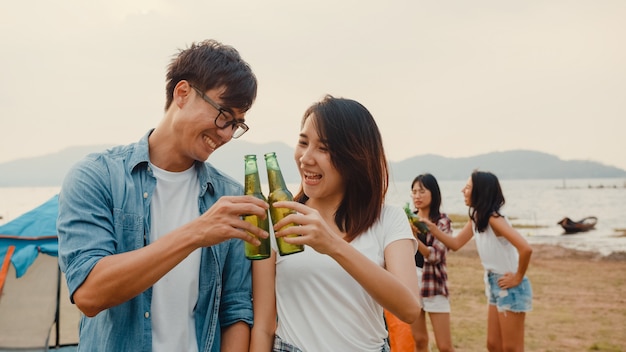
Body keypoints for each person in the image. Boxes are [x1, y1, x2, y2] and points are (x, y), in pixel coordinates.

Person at [57, 39, 269, 352]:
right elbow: (90, 295)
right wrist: (196, 232)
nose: (226, 133)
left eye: (237, 124)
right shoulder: (96, 177)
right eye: (224, 114)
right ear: (182, 93)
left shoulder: (230, 196)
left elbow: (235, 309)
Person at [249, 95, 421, 352]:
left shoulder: (388, 219)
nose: (306, 158)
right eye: (303, 143)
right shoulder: (278, 220)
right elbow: (263, 327)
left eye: (324, 147)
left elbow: (409, 308)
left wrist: (333, 245)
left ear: (356, 157)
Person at [429, 170, 533, 352]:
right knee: (493, 345)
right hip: (494, 283)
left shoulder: (494, 219)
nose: (463, 190)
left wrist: (517, 277)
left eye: (468, 187)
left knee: (511, 348)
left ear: (480, 192)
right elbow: (455, 244)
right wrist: (432, 229)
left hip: (510, 286)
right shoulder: (477, 218)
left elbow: (526, 248)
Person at [409, 173, 455, 352]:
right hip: (412, 282)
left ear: (433, 193)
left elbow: (436, 255)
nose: (417, 196)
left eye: (421, 191)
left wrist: (414, 239)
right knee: (419, 340)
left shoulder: (442, 221)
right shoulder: (408, 218)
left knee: (444, 346)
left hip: (434, 284)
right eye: (413, 192)